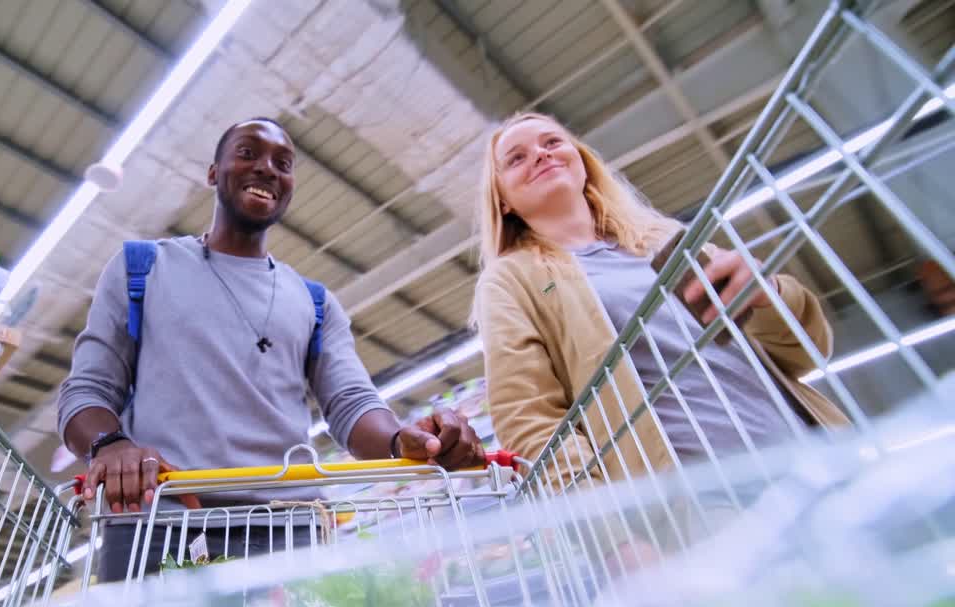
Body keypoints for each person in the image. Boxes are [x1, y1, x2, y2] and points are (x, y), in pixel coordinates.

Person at [59, 118, 484, 581]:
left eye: (282, 164)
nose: (266, 169)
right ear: (213, 172)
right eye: (247, 153)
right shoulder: (143, 268)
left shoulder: (316, 303)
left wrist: (405, 440)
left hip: (287, 531)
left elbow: (351, 404)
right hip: (161, 520)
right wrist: (111, 443)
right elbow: (88, 389)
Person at [471, 111, 848, 572]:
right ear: (503, 199)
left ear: (580, 159)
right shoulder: (512, 280)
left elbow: (806, 351)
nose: (541, 155)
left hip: (813, 456)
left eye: (552, 142)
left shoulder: (666, 239)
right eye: (516, 158)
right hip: (705, 500)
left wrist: (768, 294)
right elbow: (531, 420)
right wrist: (613, 539)